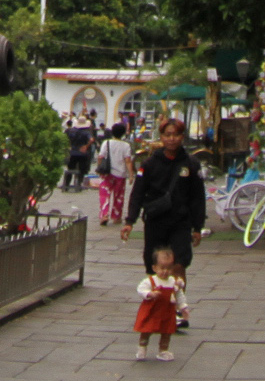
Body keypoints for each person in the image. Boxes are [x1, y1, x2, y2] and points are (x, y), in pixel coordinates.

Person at [121, 117, 206, 318]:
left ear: (182, 137)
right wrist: (129, 221)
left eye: (176, 135)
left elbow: (197, 198)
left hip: (181, 222)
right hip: (156, 221)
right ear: (161, 137)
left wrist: (197, 227)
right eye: (167, 135)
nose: (172, 139)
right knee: (155, 266)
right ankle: (157, 306)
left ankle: (177, 309)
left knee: (179, 264)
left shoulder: (191, 164)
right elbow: (138, 193)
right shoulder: (150, 163)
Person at [133, 246, 189, 363]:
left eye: (169, 268)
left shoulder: (173, 281)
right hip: (152, 310)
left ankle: (163, 350)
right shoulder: (151, 281)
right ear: (154, 268)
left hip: (167, 311)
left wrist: (183, 307)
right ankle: (142, 347)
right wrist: (149, 294)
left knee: (167, 331)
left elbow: (178, 295)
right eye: (162, 268)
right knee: (147, 329)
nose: (165, 271)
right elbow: (140, 289)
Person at [96, 125, 134, 227]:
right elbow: (128, 161)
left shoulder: (106, 143)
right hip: (120, 174)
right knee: (118, 196)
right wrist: (131, 175)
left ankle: (104, 215)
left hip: (107, 173)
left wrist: (99, 167)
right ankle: (116, 217)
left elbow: (100, 156)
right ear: (123, 133)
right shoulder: (126, 145)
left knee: (104, 195)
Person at [65, 115, 97, 191]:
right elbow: (92, 140)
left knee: (70, 168)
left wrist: (69, 146)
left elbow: (66, 139)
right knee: (82, 170)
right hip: (82, 154)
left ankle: (66, 185)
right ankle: (79, 185)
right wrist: (86, 146)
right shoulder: (86, 132)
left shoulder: (71, 131)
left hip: (73, 152)